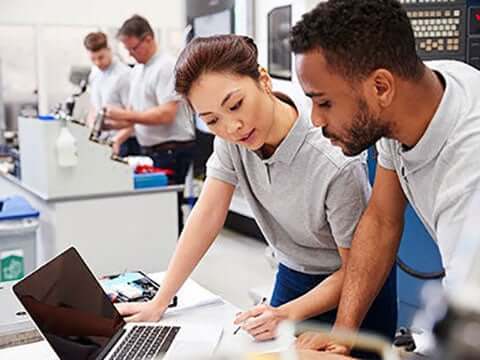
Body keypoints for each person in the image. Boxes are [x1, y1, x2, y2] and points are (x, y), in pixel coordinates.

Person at [115, 35, 397, 354]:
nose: (232, 127)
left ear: (263, 80)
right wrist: (160, 301)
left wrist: (288, 313)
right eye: (212, 120)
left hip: (353, 288)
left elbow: (358, 267)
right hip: (293, 275)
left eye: (235, 105)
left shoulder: (332, 159)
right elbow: (206, 216)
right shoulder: (232, 142)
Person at [290, 0, 480, 355]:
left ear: (380, 88)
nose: (315, 120)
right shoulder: (413, 98)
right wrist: (342, 334)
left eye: (324, 102)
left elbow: (468, 340)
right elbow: (381, 219)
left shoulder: (469, 171)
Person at [105, 15, 195, 185]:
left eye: (133, 48)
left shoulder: (166, 67)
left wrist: (123, 114)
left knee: (166, 205)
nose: (130, 55)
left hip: (171, 151)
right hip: (150, 150)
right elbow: (137, 115)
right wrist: (110, 125)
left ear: (148, 39)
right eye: (127, 50)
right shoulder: (138, 71)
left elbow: (165, 114)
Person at [83, 31, 139, 156]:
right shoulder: (95, 73)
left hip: (125, 141)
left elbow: (135, 117)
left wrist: (117, 141)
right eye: (93, 59)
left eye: (101, 57)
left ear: (109, 50)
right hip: (104, 139)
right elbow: (94, 106)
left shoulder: (124, 76)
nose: (97, 63)